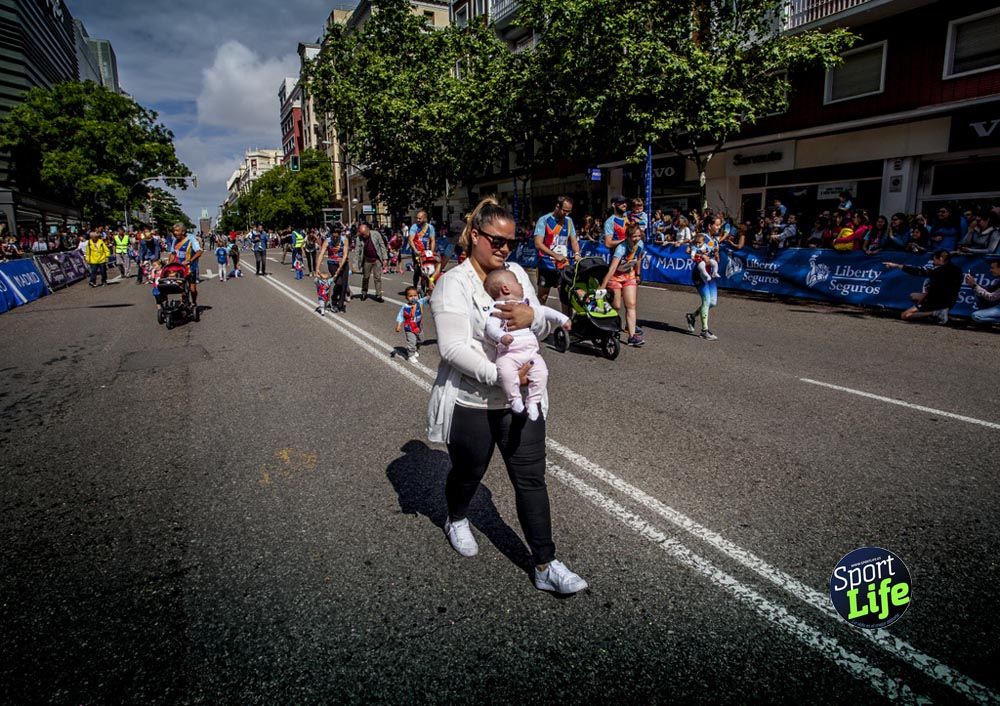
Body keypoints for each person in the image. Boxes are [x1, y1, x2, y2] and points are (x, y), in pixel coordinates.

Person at [428, 196, 587, 595]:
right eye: (496, 241)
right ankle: (457, 517)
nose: (504, 249)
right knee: (468, 473)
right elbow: (452, 348)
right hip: (473, 401)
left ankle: (545, 564)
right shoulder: (453, 283)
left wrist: (534, 318)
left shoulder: (516, 272)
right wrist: (502, 376)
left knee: (531, 479)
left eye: (510, 242)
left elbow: (540, 328)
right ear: (474, 235)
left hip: (521, 400)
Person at [484, 268, 570, 421]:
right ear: (506, 288)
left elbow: (543, 311)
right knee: (505, 371)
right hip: (508, 354)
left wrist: (562, 319)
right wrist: (501, 336)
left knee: (542, 373)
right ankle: (514, 398)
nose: (521, 285)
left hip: (531, 353)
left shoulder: (525, 304)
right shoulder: (497, 307)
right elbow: (491, 327)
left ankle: (533, 401)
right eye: (517, 282)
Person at [884, 250, 963, 324]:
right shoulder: (957, 270)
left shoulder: (940, 270)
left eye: (934, 259)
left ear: (941, 259)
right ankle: (933, 315)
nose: (933, 262)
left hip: (936, 301)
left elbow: (919, 271)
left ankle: (935, 313)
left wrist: (897, 266)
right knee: (913, 296)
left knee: (904, 315)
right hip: (950, 301)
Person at [599, 222, 645, 347]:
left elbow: (639, 259)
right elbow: (613, 267)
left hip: (629, 275)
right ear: (628, 237)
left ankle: (632, 336)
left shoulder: (640, 245)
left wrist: (638, 274)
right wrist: (603, 285)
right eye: (634, 236)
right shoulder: (621, 248)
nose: (636, 239)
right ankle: (607, 327)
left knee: (631, 304)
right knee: (617, 306)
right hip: (615, 277)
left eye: (638, 236)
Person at [533, 195, 580, 311]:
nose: (567, 214)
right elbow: (538, 244)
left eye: (569, 211)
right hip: (546, 264)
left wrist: (577, 253)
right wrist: (555, 255)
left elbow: (573, 240)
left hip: (563, 265)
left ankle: (567, 326)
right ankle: (539, 323)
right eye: (565, 211)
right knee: (543, 297)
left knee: (565, 298)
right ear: (557, 206)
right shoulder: (544, 220)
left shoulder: (569, 222)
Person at [316, 225, 350, 312]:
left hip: (343, 263)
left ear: (339, 234)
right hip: (332, 264)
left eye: (336, 236)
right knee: (338, 282)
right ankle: (334, 299)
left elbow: (345, 254)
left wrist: (340, 268)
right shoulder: (327, 241)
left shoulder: (344, 240)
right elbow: (321, 254)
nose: (335, 238)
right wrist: (317, 268)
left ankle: (340, 304)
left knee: (344, 284)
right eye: (333, 236)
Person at [171, 224, 202, 309]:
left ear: (183, 231)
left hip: (190, 268)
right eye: (174, 231)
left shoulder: (191, 239)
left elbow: (199, 252)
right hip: (179, 268)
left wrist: (190, 261)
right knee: (181, 288)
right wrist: (169, 265)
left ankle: (194, 302)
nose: (175, 232)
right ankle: (184, 302)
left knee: (192, 289)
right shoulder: (175, 241)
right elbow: (173, 253)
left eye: (177, 231)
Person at [354, 223, 387, 302]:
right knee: (365, 277)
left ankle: (378, 295)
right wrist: (355, 264)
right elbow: (357, 251)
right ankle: (364, 293)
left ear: (368, 230)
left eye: (364, 234)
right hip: (367, 260)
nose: (363, 236)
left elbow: (382, 245)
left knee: (377, 278)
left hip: (376, 259)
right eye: (362, 234)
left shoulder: (376, 234)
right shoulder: (359, 238)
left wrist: (385, 258)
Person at [395, 286, 428, 361]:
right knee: (412, 341)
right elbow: (400, 316)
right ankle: (410, 355)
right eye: (410, 296)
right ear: (406, 297)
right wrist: (399, 325)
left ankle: (415, 349)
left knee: (421, 340)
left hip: (418, 327)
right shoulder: (405, 307)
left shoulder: (420, 302)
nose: (413, 298)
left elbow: (428, 297)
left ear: (418, 295)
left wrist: (432, 290)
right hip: (409, 328)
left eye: (415, 295)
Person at [966, 259, 1000, 325]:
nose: (990, 270)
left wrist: (974, 285)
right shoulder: (998, 280)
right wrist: (974, 285)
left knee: (976, 316)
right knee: (979, 295)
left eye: (993, 268)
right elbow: (989, 290)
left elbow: (991, 297)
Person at [408, 210, 437, 289]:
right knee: (418, 270)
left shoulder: (430, 227)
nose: (418, 220)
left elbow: (433, 240)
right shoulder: (414, 227)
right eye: (417, 218)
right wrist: (415, 250)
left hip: (426, 252)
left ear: (425, 218)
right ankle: (414, 286)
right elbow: (410, 240)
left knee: (427, 270)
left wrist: (432, 251)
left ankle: (425, 287)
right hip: (417, 252)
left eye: (420, 218)